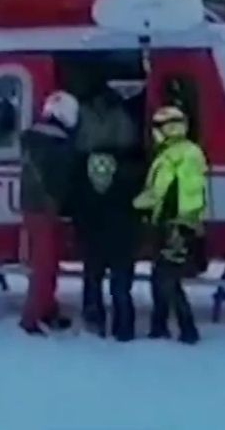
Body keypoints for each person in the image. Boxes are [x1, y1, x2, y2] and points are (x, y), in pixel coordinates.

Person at [69, 83, 143, 340]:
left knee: (93, 280)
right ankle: (124, 329)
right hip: (122, 236)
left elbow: (79, 205)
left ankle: (95, 324)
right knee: (120, 286)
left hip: (95, 235)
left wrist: (79, 228)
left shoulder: (82, 175)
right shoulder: (130, 173)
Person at [133, 105, 208, 345]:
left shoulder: (170, 156)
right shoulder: (191, 152)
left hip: (172, 225)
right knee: (165, 277)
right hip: (184, 223)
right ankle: (161, 326)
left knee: (166, 279)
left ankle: (184, 329)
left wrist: (133, 204)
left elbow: (158, 192)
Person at [18, 90, 80, 336]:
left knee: (48, 263)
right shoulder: (56, 144)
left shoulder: (34, 139)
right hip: (44, 208)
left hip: (34, 207)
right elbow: (62, 180)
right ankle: (31, 318)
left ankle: (47, 308)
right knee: (44, 266)